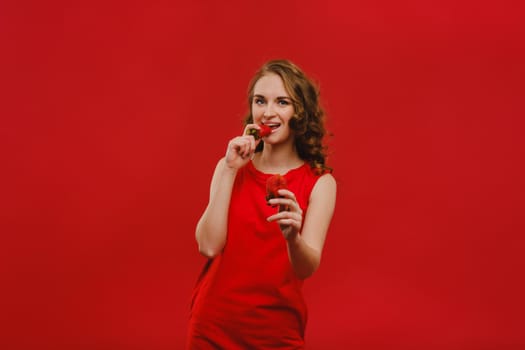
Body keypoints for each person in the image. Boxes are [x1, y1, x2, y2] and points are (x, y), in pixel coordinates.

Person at [186, 59, 337, 349]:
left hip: (276, 333)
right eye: (260, 101)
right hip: (213, 327)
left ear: (300, 112)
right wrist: (230, 169)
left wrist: (293, 237)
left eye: (282, 102)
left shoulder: (320, 183)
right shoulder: (229, 167)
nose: (268, 112)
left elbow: (306, 268)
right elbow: (208, 246)